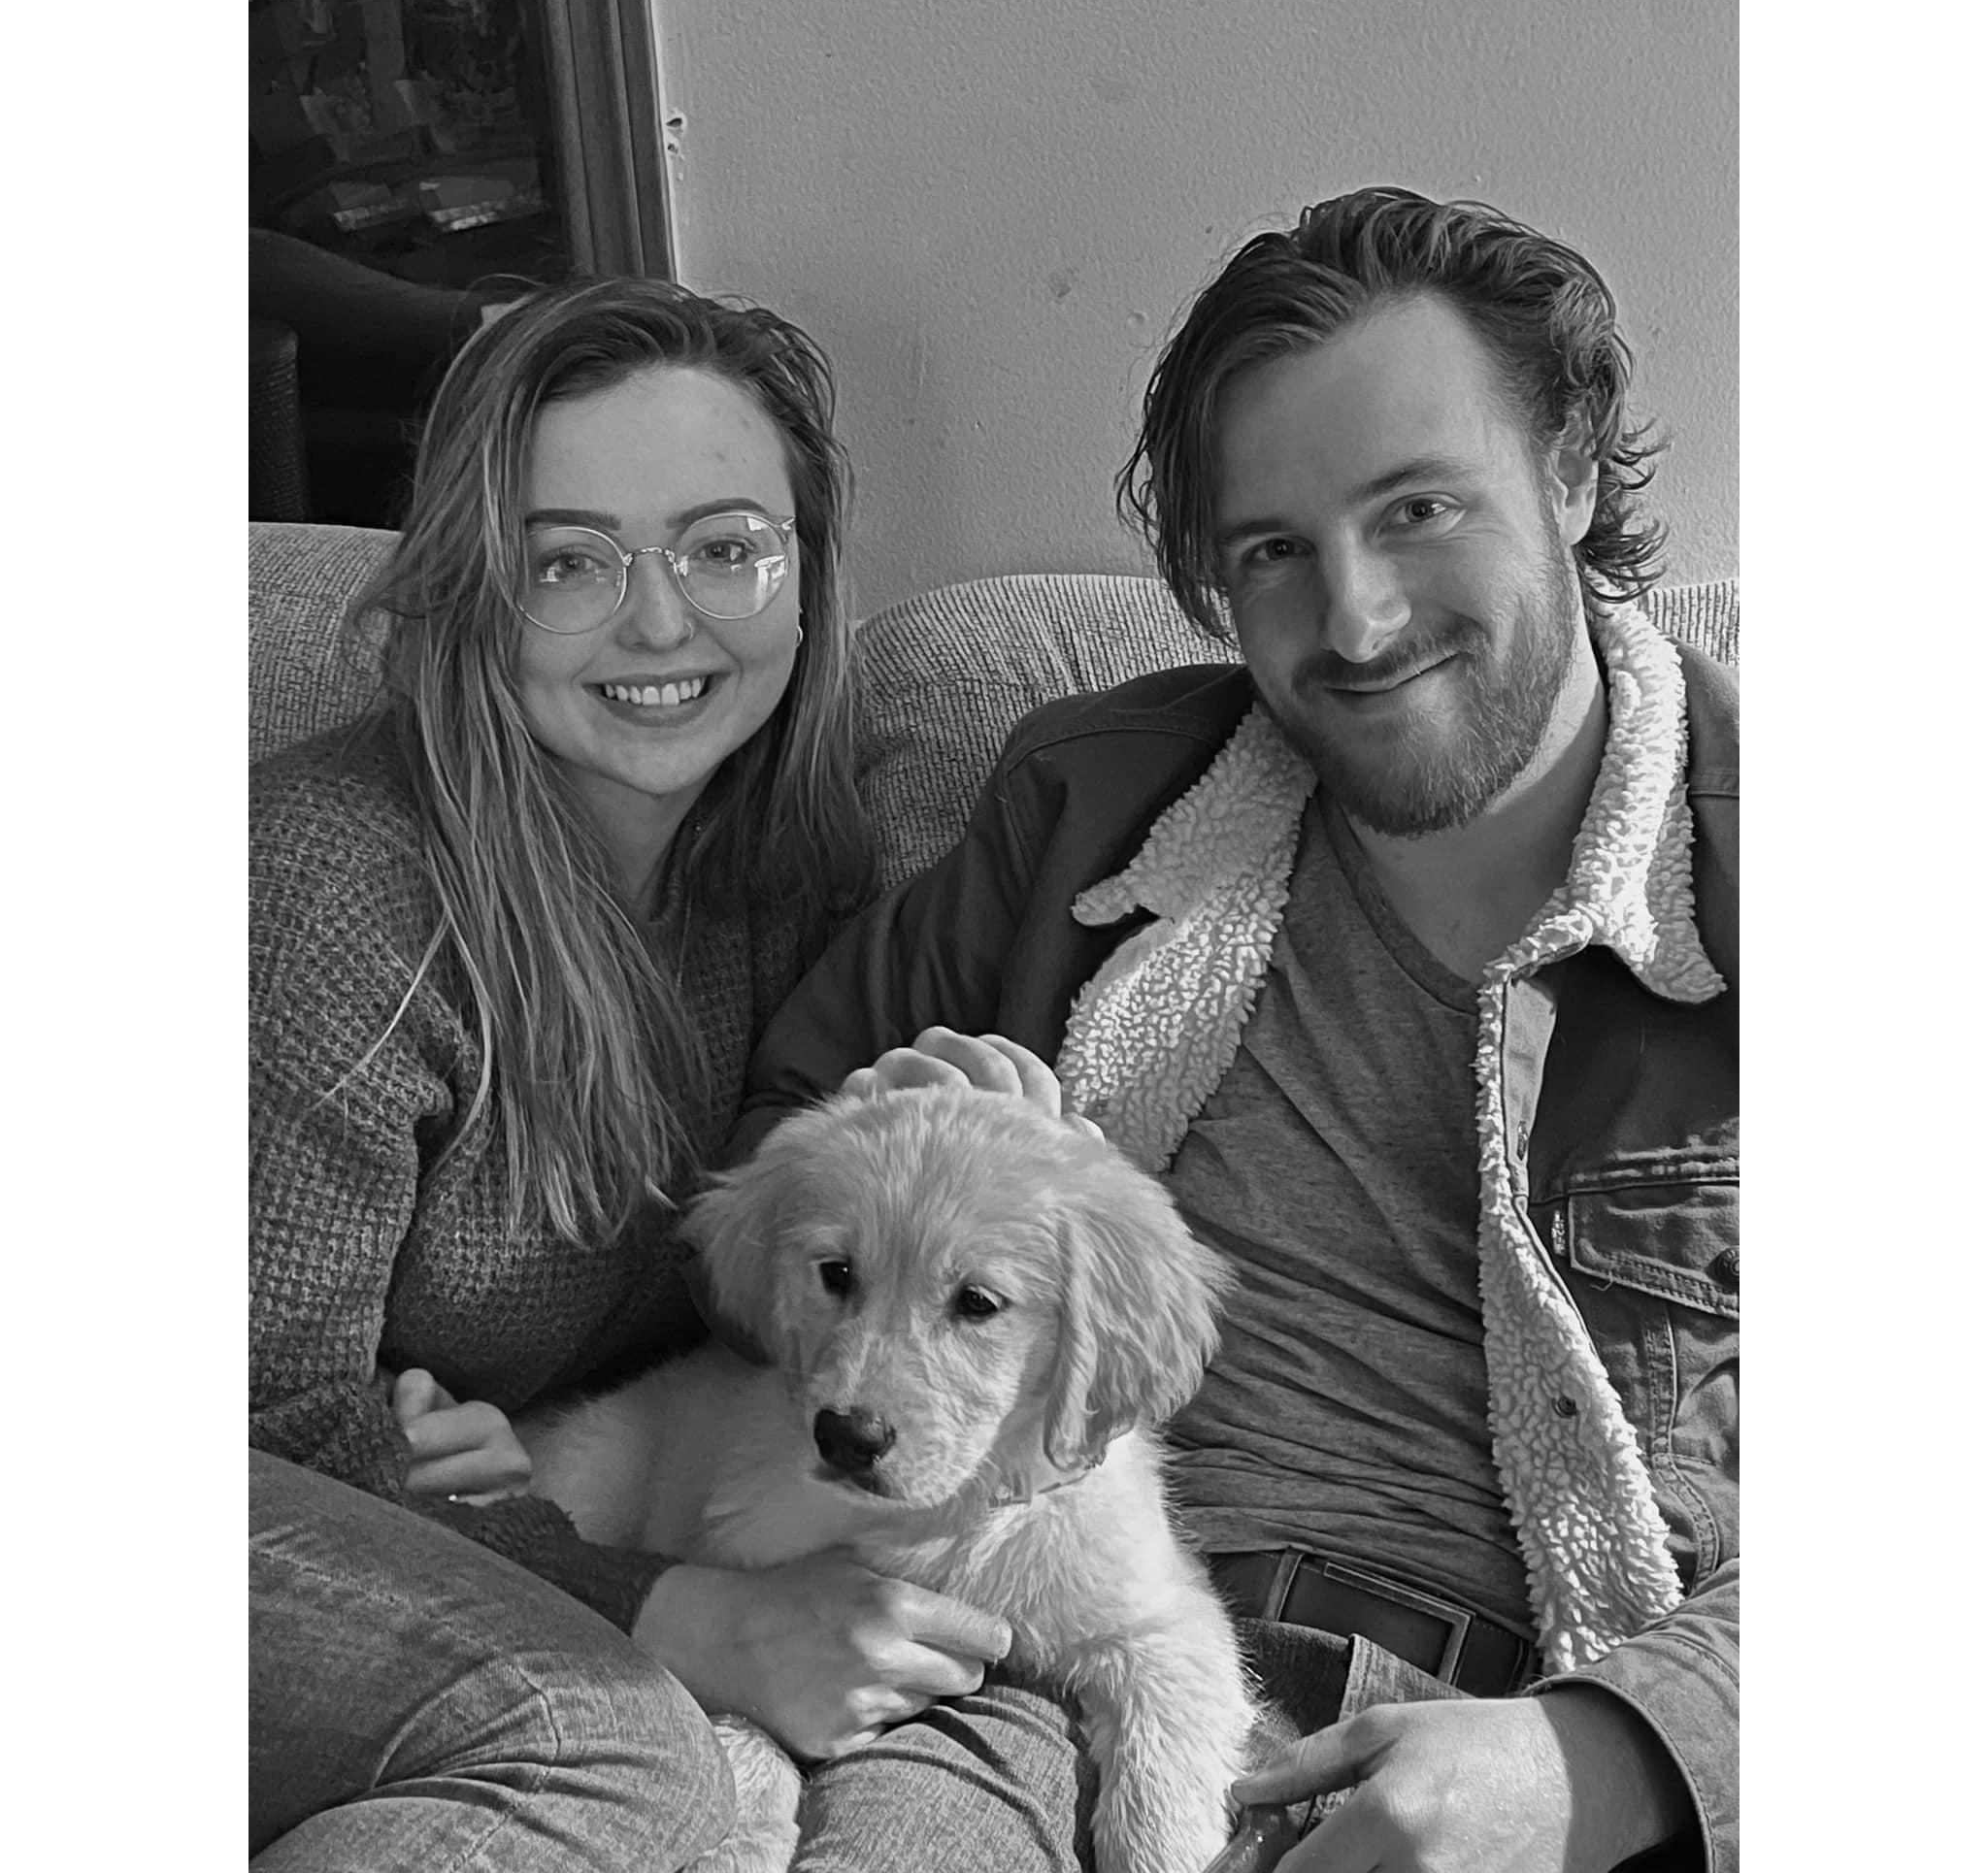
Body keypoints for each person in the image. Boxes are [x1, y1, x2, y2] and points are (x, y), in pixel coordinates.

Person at [733, 187, 1738, 1872]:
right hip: (1036, 1668)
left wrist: (1618, 1755)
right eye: (1273, 550)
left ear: (1569, 472)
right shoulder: (1092, 808)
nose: (1355, 620)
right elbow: (761, 1163)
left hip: (1514, 1734)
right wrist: (872, 1139)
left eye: (1419, 508)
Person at [249, 277, 1016, 1869]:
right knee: (612, 1748)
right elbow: (251, 1404)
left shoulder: (797, 879)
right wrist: (654, 1604)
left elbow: (755, 1296)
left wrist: (911, 1149)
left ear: (805, 573)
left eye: (724, 548)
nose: (661, 623)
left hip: (424, 1508)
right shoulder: (333, 888)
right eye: (568, 561)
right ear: (473, 590)